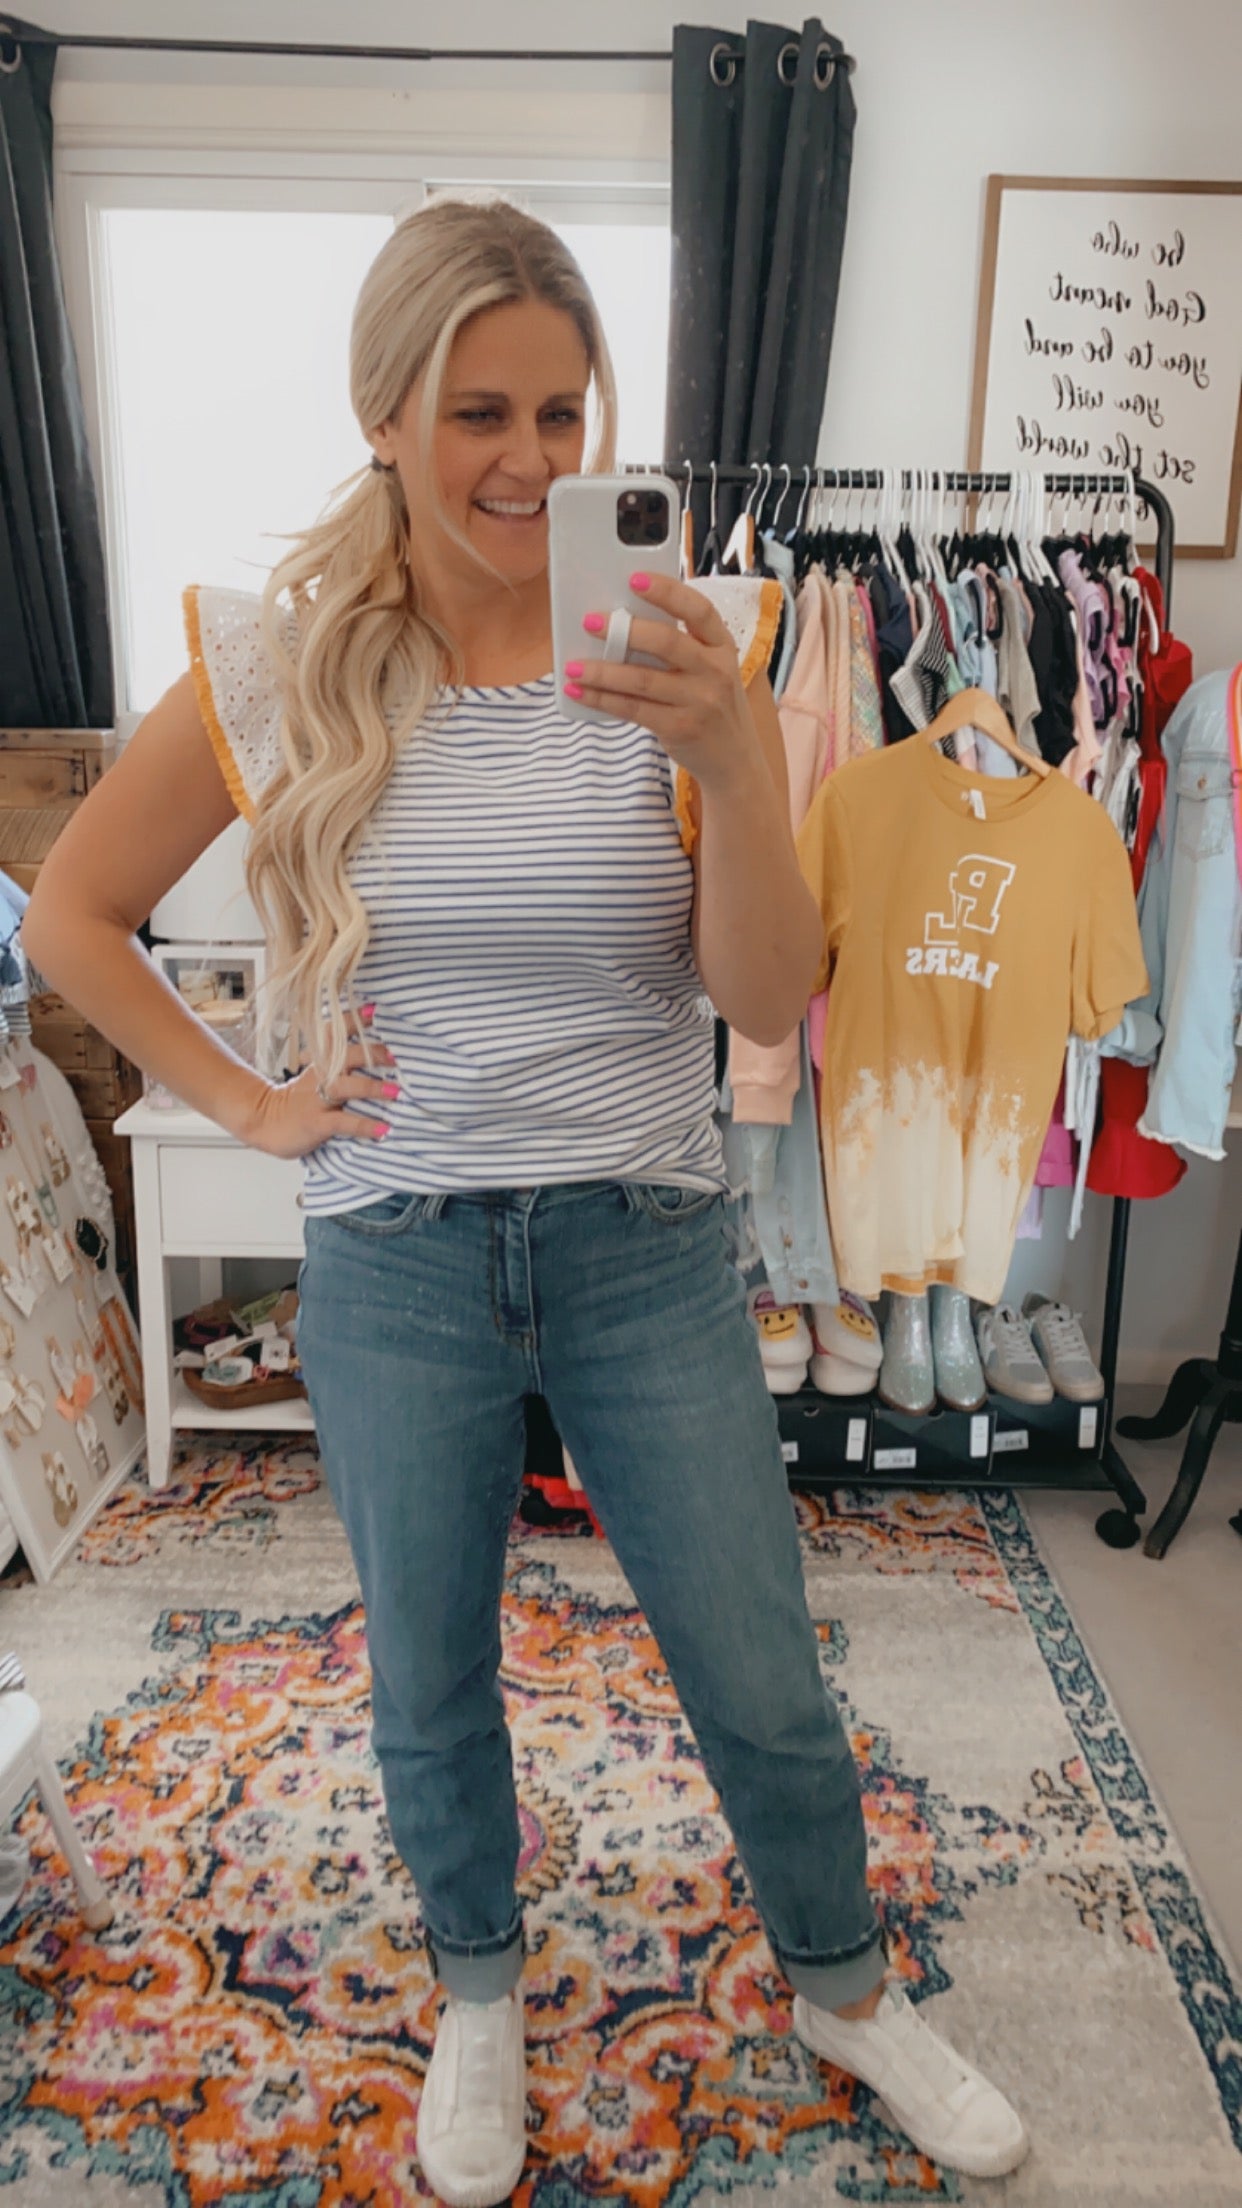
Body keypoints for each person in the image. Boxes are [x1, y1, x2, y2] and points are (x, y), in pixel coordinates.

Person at [23, 197, 1028, 2201]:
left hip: (642, 1248)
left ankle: (842, 1986)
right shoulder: (274, 662)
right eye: (478, 411)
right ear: (383, 413)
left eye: (564, 412)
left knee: (757, 1666)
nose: (529, 458)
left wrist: (731, 760)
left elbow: (766, 997)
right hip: (395, 1259)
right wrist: (250, 1102)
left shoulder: (685, 646)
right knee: (429, 1675)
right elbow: (71, 915)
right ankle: (478, 1993)